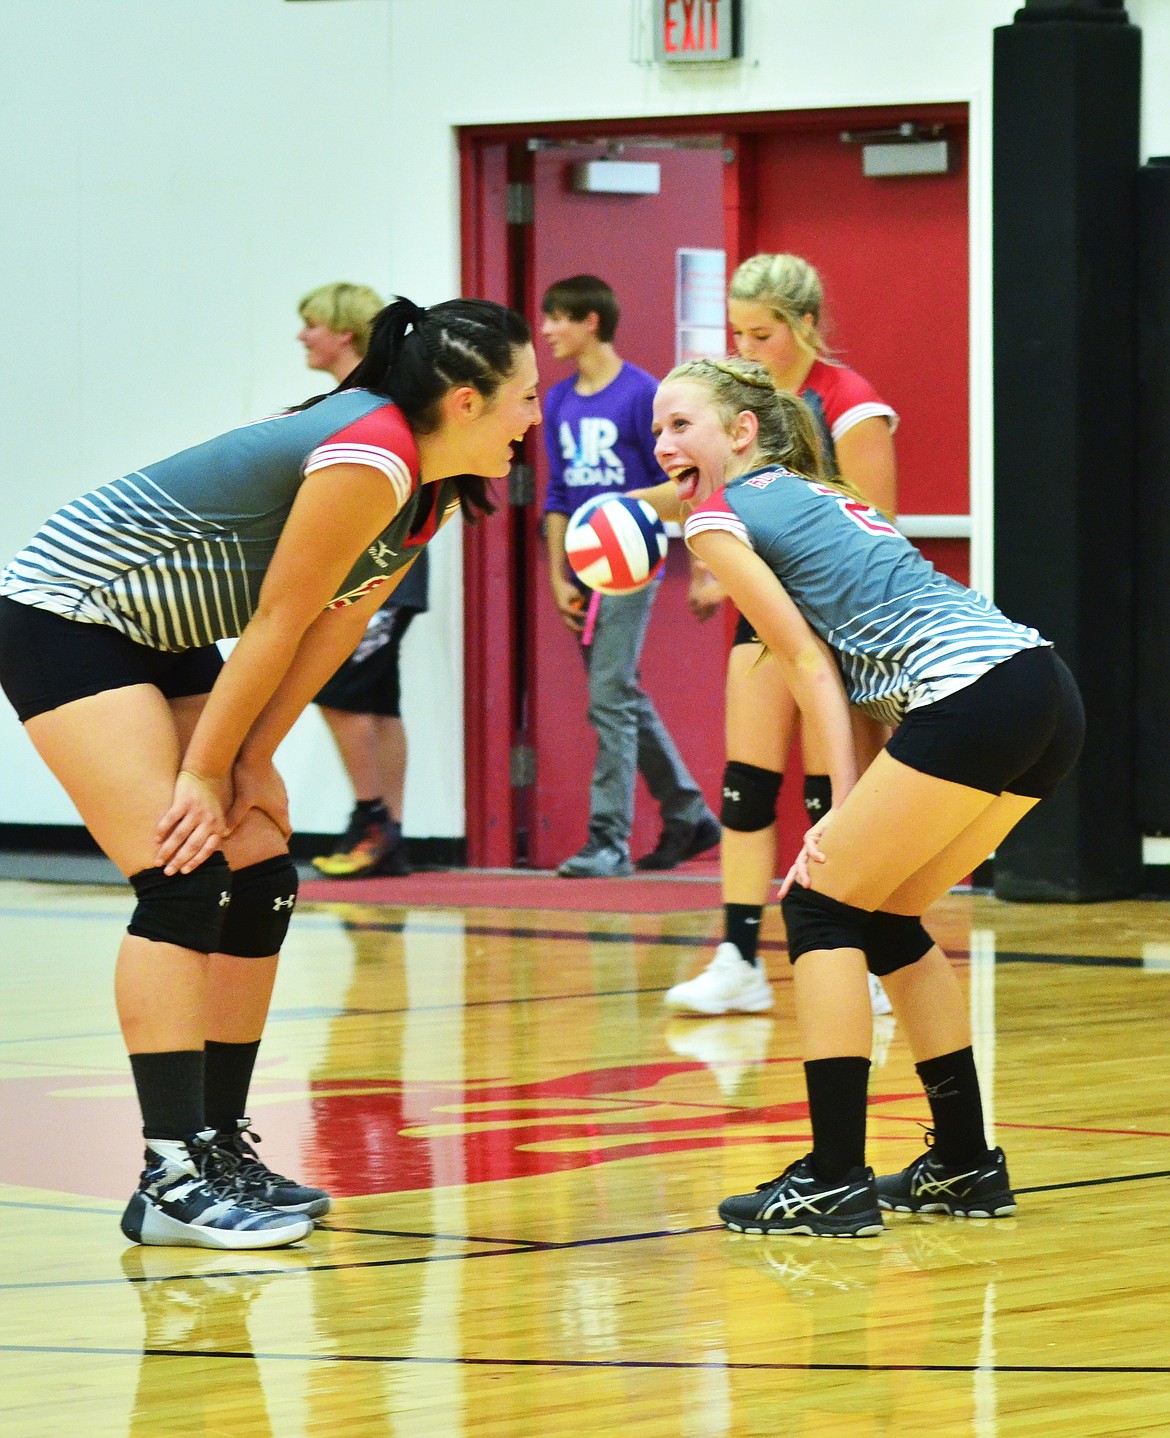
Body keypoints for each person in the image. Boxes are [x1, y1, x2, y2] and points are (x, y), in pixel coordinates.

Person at [0, 296, 540, 1248]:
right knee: (182, 871)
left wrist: (249, 761)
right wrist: (205, 772)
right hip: (68, 615)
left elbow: (330, 628)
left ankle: (215, 1144)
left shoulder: (433, 485)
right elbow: (276, 622)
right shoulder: (369, 454)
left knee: (262, 867)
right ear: (464, 401)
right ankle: (167, 1175)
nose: (534, 417)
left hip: (161, 635)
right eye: (524, 397)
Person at [651, 357, 1083, 1236]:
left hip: (974, 694)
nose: (663, 445)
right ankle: (964, 1164)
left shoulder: (719, 516)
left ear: (740, 433)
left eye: (681, 425)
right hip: (1042, 689)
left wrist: (836, 815)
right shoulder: (816, 497)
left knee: (818, 909)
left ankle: (835, 1178)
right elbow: (860, 674)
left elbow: (809, 668)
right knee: (884, 917)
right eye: (656, 429)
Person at [648, 254, 897, 1017]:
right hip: (762, 620)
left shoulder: (850, 404)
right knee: (745, 788)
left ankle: (855, 953)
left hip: (835, 620)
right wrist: (633, 514)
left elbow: (873, 523)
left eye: (764, 333)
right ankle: (738, 957)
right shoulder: (736, 407)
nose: (750, 348)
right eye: (739, 333)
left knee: (835, 797)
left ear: (807, 326)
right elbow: (708, 498)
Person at [540, 273, 720, 878]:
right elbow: (558, 493)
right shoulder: (560, 400)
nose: (546, 331)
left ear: (590, 320)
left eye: (557, 318)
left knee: (609, 696)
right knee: (618, 695)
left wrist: (702, 569)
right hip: (584, 563)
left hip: (633, 555)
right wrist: (557, 572)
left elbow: (686, 484)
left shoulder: (643, 395)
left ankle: (607, 840)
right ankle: (687, 813)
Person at [296, 282, 427, 879]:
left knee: (338, 691)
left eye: (311, 324)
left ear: (344, 333)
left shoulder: (370, 403)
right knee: (374, 699)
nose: (303, 335)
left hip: (377, 573)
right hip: (380, 573)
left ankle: (372, 820)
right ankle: (386, 829)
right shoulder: (363, 400)